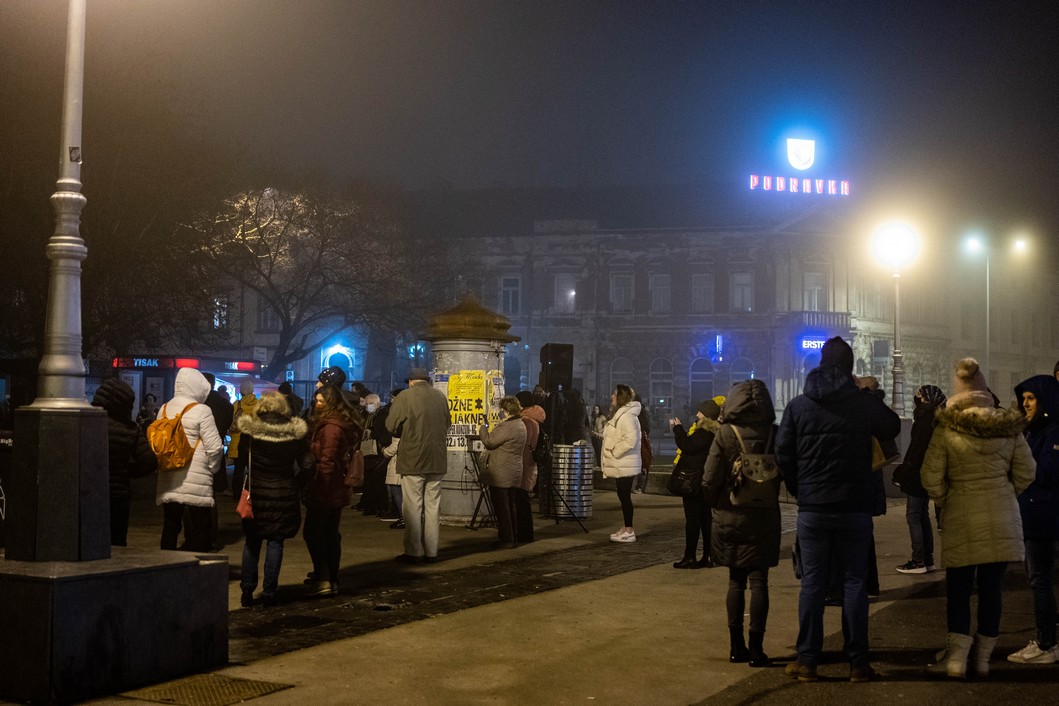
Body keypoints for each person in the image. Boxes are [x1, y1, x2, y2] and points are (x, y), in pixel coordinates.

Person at [776, 336, 900, 683]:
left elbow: (783, 452)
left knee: (813, 584)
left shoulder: (799, 406)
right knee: (854, 583)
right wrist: (870, 394)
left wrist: (801, 487)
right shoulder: (860, 403)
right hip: (854, 507)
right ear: (850, 367)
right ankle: (858, 663)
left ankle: (807, 661)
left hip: (814, 508)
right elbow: (891, 426)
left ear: (820, 364)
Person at [920, 358, 1035, 678]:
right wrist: (1005, 493)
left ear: (958, 389)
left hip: (961, 516)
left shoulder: (947, 427)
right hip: (1001, 518)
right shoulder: (1007, 426)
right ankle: (983, 659)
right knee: (991, 590)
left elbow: (930, 477)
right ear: (983, 388)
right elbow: (1028, 471)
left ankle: (956, 660)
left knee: (958, 590)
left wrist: (947, 499)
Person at [703, 380, 779, 667]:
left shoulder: (725, 433)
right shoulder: (773, 432)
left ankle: (737, 647)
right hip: (765, 516)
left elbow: (710, 479)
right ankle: (758, 650)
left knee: (736, 580)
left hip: (730, 515)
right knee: (760, 582)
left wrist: (716, 502)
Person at [235, 391, 313, 607]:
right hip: (284, 492)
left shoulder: (250, 432)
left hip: (257, 493)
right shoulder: (294, 433)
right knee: (275, 542)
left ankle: (247, 591)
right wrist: (296, 482)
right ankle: (269, 592)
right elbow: (308, 464)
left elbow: (242, 460)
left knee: (252, 541)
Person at [1007, 374, 1059, 665]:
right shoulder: (1034, 430)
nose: (1025, 404)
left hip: (1043, 515)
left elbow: (1049, 473)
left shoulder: (1052, 432)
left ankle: (1045, 643)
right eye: (1023, 398)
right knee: (1037, 578)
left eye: (1031, 398)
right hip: (1032, 513)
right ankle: (1045, 639)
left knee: (1040, 579)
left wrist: (1021, 462)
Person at [385, 367, 452, 564]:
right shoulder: (440, 397)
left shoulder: (405, 396)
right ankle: (432, 551)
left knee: (413, 506)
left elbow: (391, 425)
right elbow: (447, 423)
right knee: (433, 506)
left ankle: (414, 551)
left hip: (413, 458)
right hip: (437, 459)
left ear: (411, 382)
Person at [155, 368, 225, 552]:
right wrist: (212, 468)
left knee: (170, 525)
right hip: (196, 479)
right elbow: (215, 447)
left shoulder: (163, 409)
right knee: (201, 525)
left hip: (168, 477)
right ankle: (197, 570)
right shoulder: (202, 410)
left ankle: (166, 567)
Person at [304, 384, 360, 596]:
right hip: (335, 485)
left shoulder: (330, 427)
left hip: (327, 485)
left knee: (313, 532)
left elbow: (327, 459)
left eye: (321, 401)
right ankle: (330, 578)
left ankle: (324, 578)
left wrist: (321, 484)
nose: (317, 404)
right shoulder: (338, 423)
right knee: (329, 533)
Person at [90, 377, 157, 546]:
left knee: (88, 542)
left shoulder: (85, 423)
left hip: (87, 494)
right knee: (116, 543)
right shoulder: (130, 429)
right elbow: (149, 461)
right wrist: (127, 471)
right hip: (117, 495)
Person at [893, 384, 947, 574]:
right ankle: (928, 560)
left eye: (919, 395)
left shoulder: (925, 419)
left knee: (914, 516)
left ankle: (918, 561)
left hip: (918, 474)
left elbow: (917, 448)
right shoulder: (936, 419)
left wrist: (906, 469)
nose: (916, 397)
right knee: (922, 515)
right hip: (927, 472)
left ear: (925, 400)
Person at [669, 397, 723, 569]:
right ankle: (708, 555)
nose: (697, 413)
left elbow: (687, 446)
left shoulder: (705, 432)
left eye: (700, 411)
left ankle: (690, 556)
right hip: (704, 480)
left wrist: (677, 428)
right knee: (705, 519)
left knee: (693, 520)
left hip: (694, 481)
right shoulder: (712, 432)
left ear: (706, 415)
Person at [480, 396, 528, 549]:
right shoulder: (520, 424)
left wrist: (482, 427)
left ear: (506, 411)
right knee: (511, 505)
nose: (500, 412)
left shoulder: (508, 426)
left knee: (502, 507)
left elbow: (489, 441)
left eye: (502, 409)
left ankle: (506, 539)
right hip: (514, 471)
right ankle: (513, 536)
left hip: (501, 472)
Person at [601, 384, 642, 543]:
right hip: (622, 463)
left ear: (621, 397)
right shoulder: (622, 415)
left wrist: (614, 451)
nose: (611, 396)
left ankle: (629, 529)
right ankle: (626, 527)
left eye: (614, 394)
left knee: (624, 496)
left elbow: (630, 440)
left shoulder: (627, 417)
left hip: (624, 462)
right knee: (622, 495)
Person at [203, 372, 234, 550]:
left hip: (199, 454)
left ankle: (202, 535)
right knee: (210, 496)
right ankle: (211, 536)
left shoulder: (199, 403)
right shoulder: (222, 404)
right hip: (216, 450)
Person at [515, 391, 546, 543]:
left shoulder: (526, 420)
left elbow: (522, 443)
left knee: (521, 501)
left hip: (524, 464)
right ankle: (525, 533)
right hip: (530, 465)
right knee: (523, 500)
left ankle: (524, 534)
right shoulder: (535, 418)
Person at [228, 380, 260, 494]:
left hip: (238, 442)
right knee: (253, 470)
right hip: (254, 442)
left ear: (241, 392)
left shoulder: (236, 405)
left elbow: (230, 422)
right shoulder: (259, 404)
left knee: (238, 470)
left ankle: (237, 493)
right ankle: (251, 491)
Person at [634, 394, 652, 494]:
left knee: (642, 462)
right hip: (637, 439)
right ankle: (639, 486)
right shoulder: (639, 412)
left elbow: (646, 427)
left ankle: (640, 486)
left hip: (640, 440)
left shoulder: (641, 412)